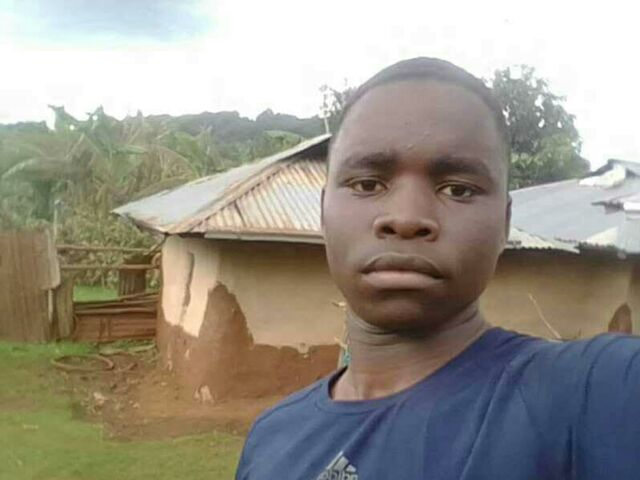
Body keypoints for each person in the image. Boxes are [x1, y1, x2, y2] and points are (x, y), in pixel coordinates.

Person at [235, 57, 640, 479]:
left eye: (458, 190)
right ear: (323, 212)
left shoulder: (594, 394)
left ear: (504, 225)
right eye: (368, 184)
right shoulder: (271, 440)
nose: (406, 218)